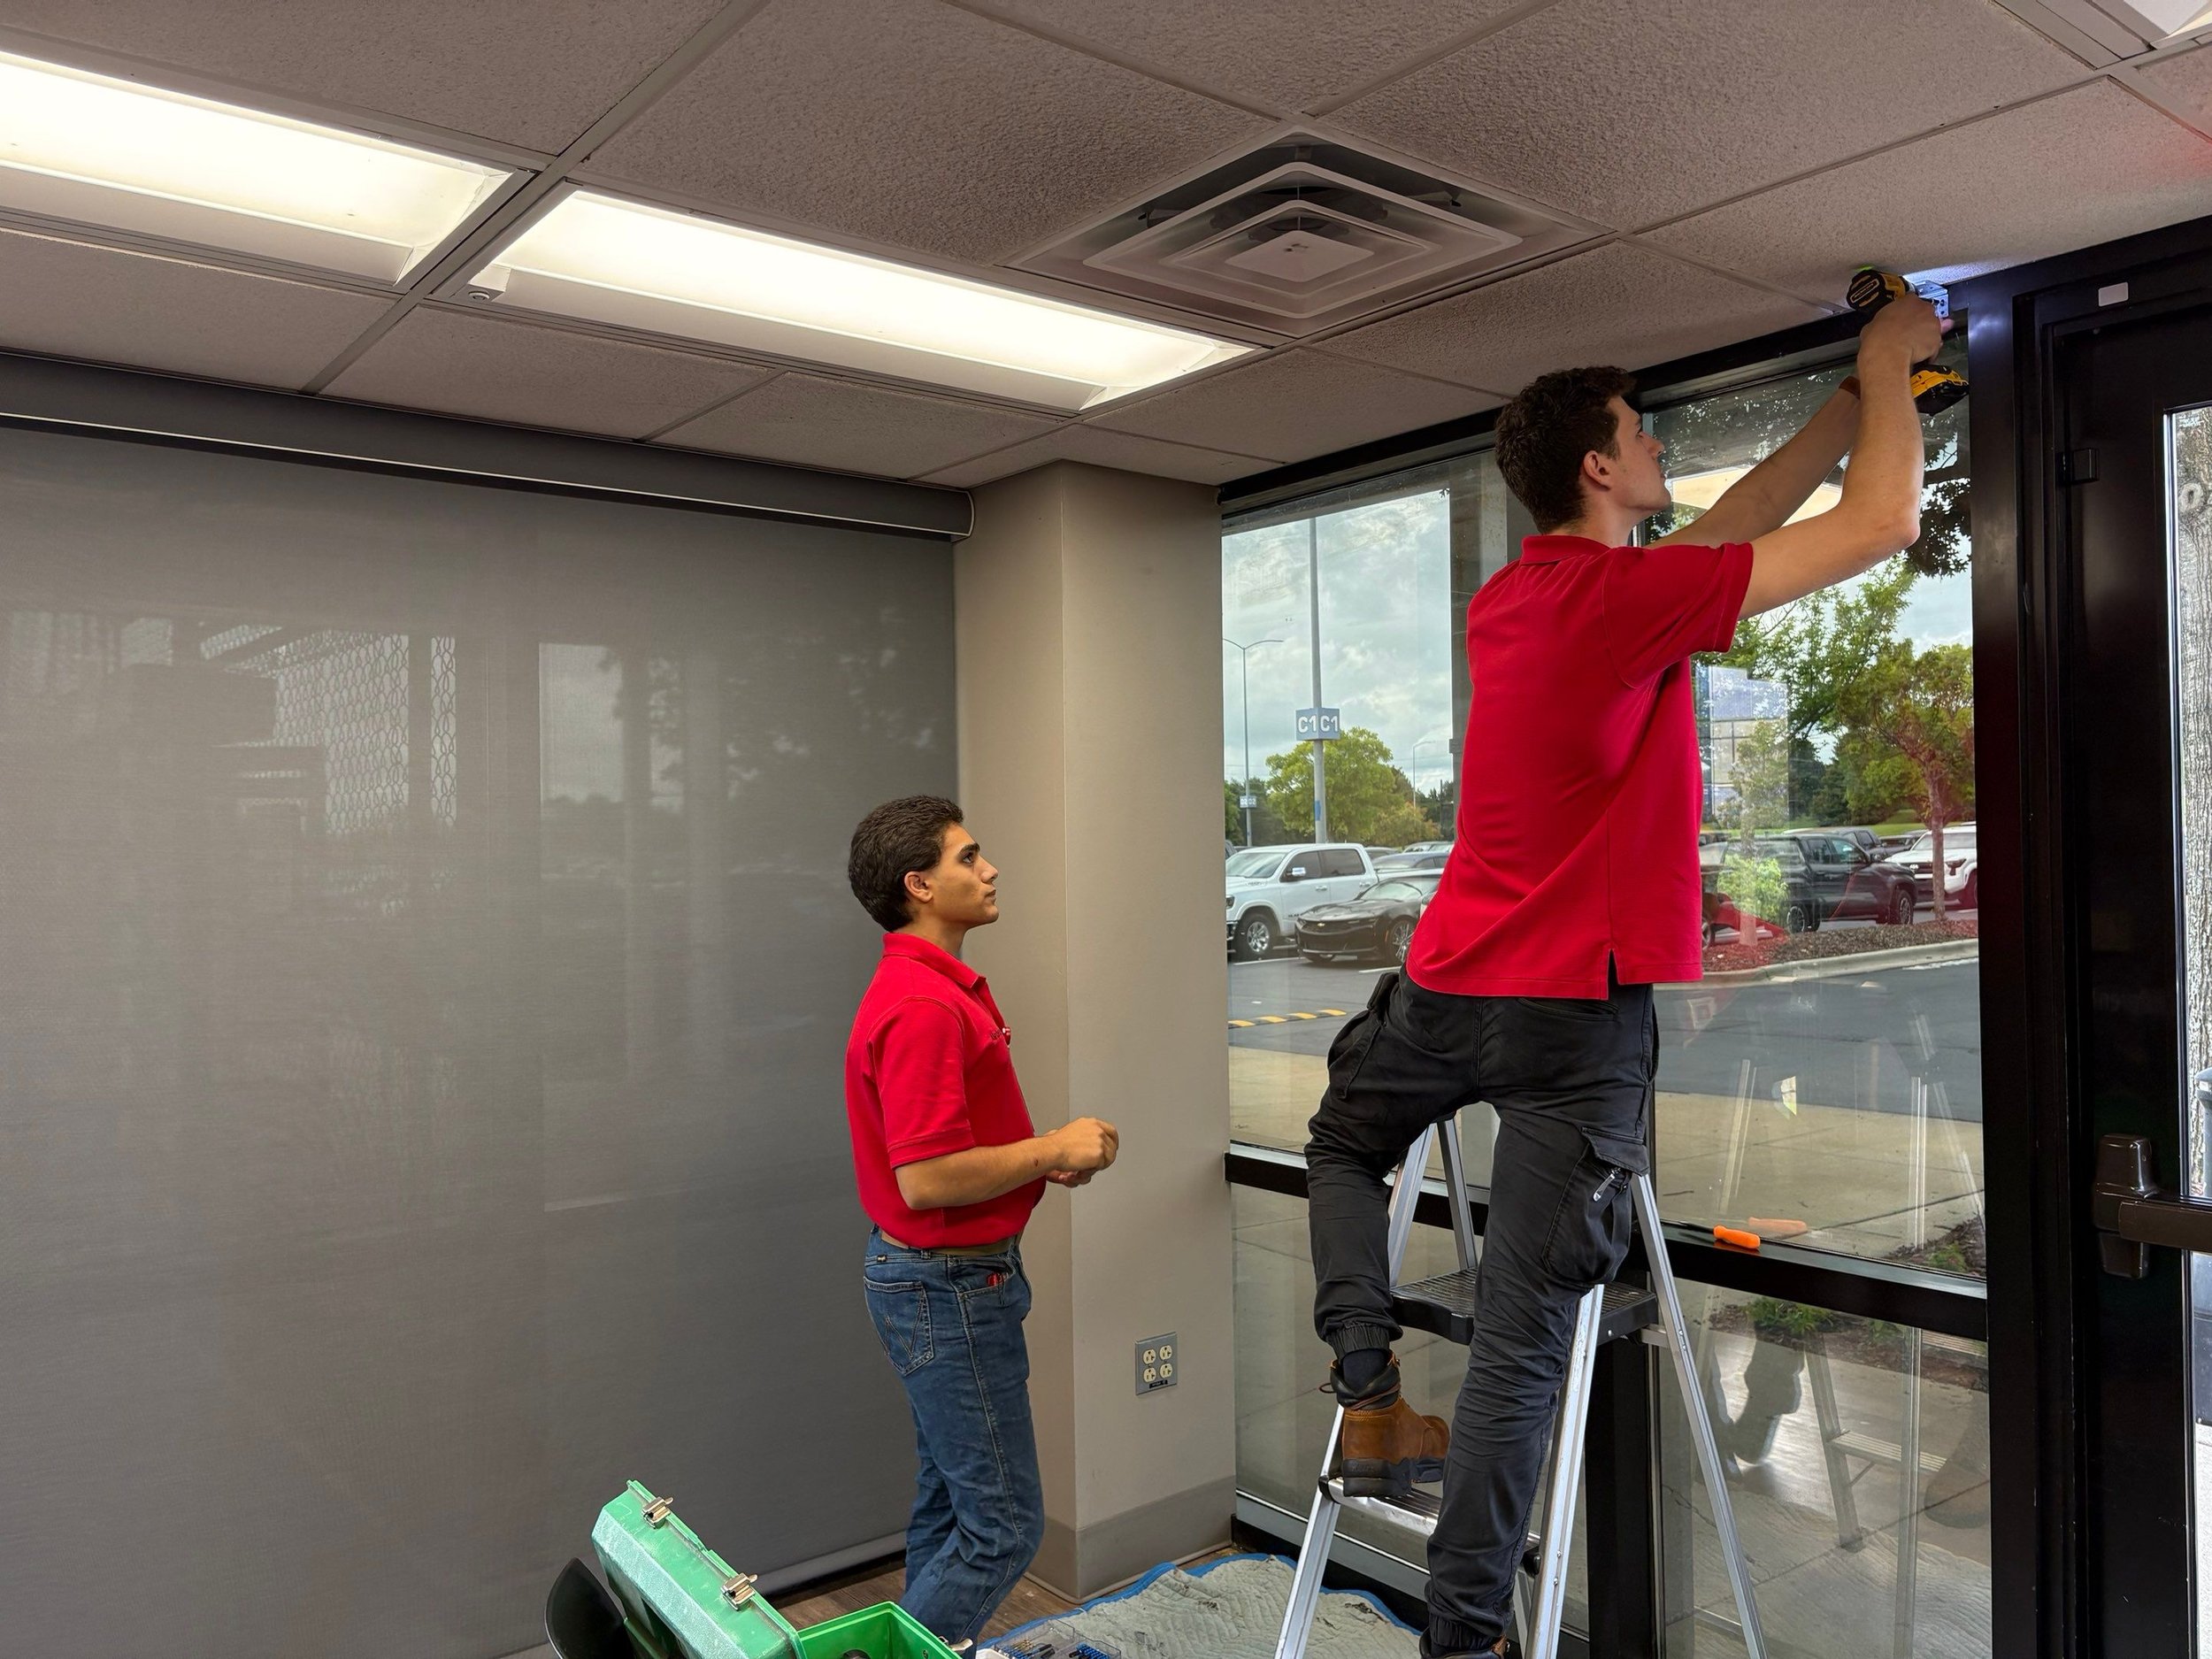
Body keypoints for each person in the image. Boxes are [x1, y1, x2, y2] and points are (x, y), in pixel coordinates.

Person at [1303, 293, 1947, 1658]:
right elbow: (1882, 524)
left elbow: (1745, 520)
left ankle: (1366, 1379)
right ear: (1600, 465)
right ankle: (1465, 1637)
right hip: (1565, 1017)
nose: (1662, 451)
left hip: (1445, 986)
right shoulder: (1620, 600)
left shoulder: (1521, 600)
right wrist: (1891, 366)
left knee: (1343, 1143)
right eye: (1644, 434)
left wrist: (1845, 403)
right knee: (1528, 1346)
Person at [842, 795, 1120, 1647]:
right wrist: (1048, 1147)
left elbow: (948, 1154)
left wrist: (1036, 1160)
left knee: (947, 1502)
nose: (989, 869)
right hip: (951, 1287)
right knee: (1002, 1526)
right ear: (920, 884)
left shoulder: (927, 988)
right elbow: (925, 1179)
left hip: (942, 1280)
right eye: (969, 858)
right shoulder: (924, 1005)